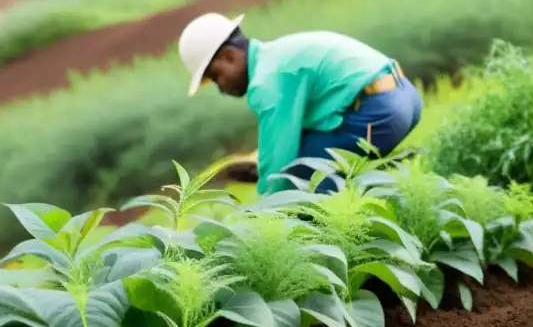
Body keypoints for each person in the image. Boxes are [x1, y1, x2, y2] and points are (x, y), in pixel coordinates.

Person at [176, 12, 424, 195]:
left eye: (217, 76)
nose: (221, 88)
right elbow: (300, 131)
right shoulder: (277, 57)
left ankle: (331, 243)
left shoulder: (266, 81)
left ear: (229, 56)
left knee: (299, 173)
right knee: (311, 156)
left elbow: (279, 165)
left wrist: (264, 216)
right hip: (404, 97)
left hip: (381, 111)